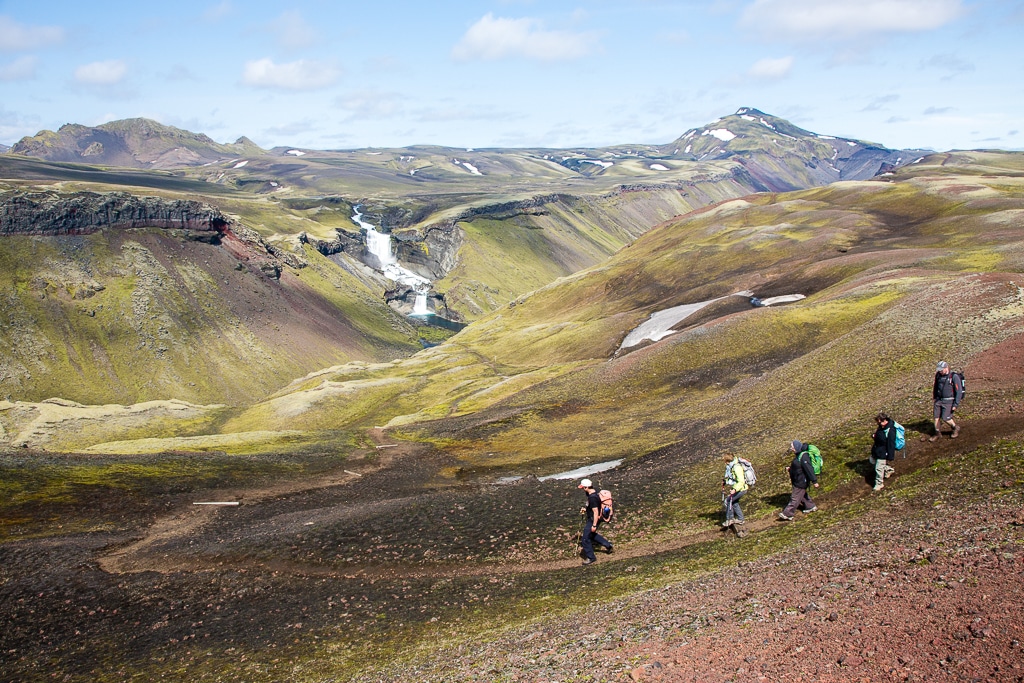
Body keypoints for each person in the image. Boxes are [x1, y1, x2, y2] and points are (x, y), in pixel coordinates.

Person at [779, 440, 818, 521]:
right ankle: (810, 506)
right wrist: (790, 469)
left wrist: (814, 481)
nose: (791, 448)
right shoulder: (798, 455)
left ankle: (788, 513)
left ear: (796, 447)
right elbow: (798, 467)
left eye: (792, 447)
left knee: (795, 497)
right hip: (798, 480)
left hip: (801, 481)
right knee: (802, 494)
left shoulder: (804, 456)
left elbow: (808, 469)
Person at [578, 478, 613, 565]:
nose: (582, 489)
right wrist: (586, 509)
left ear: (586, 487)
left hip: (594, 519)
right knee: (592, 535)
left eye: (583, 488)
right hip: (596, 518)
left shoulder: (592, 498)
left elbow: (596, 511)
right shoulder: (594, 491)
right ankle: (608, 545)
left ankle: (591, 558)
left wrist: (594, 525)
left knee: (585, 539)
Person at [930, 361, 963, 441]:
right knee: (936, 417)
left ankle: (955, 428)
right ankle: (937, 433)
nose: (940, 371)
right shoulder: (938, 375)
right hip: (938, 400)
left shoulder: (953, 376)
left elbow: (959, 391)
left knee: (946, 417)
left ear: (946, 368)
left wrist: (955, 404)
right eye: (939, 370)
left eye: (941, 370)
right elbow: (936, 386)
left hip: (949, 400)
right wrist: (934, 396)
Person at [870, 412, 897, 491]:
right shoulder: (881, 427)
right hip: (877, 450)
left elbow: (891, 444)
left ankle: (879, 483)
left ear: (882, 420)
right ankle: (888, 470)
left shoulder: (890, 430)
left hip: (883, 452)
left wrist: (890, 456)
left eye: (878, 421)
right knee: (872, 461)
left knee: (878, 468)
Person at [721, 452, 747, 528]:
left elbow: (741, 481)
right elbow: (734, 479)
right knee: (734, 502)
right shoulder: (732, 466)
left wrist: (735, 489)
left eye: (725, 462)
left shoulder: (736, 468)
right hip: (739, 489)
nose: (725, 463)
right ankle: (741, 519)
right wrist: (726, 482)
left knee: (728, 501)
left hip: (741, 489)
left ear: (728, 461)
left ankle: (730, 519)